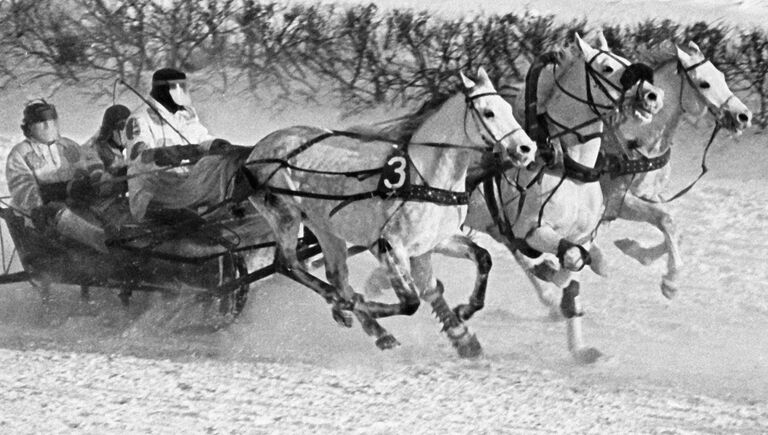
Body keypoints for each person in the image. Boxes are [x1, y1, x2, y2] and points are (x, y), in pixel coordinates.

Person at [123, 67, 239, 222]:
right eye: (177, 88)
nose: (182, 94)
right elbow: (139, 157)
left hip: (184, 186)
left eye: (183, 88)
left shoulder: (185, 114)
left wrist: (214, 144)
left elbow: (199, 137)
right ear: (163, 90)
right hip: (155, 191)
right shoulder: (139, 119)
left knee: (226, 171)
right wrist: (171, 154)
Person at [5, 100, 108, 252]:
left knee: (103, 204)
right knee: (56, 210)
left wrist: (93, 179)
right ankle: (101, 240)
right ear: (29, 127)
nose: (48, 126)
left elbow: (87, 165)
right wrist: (62, 190)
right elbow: (24, 192)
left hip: (75, 204)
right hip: (40, 214)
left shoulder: (68, 146)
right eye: (41, 122)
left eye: (51, 121)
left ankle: (119, 234)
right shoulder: (20, 153)